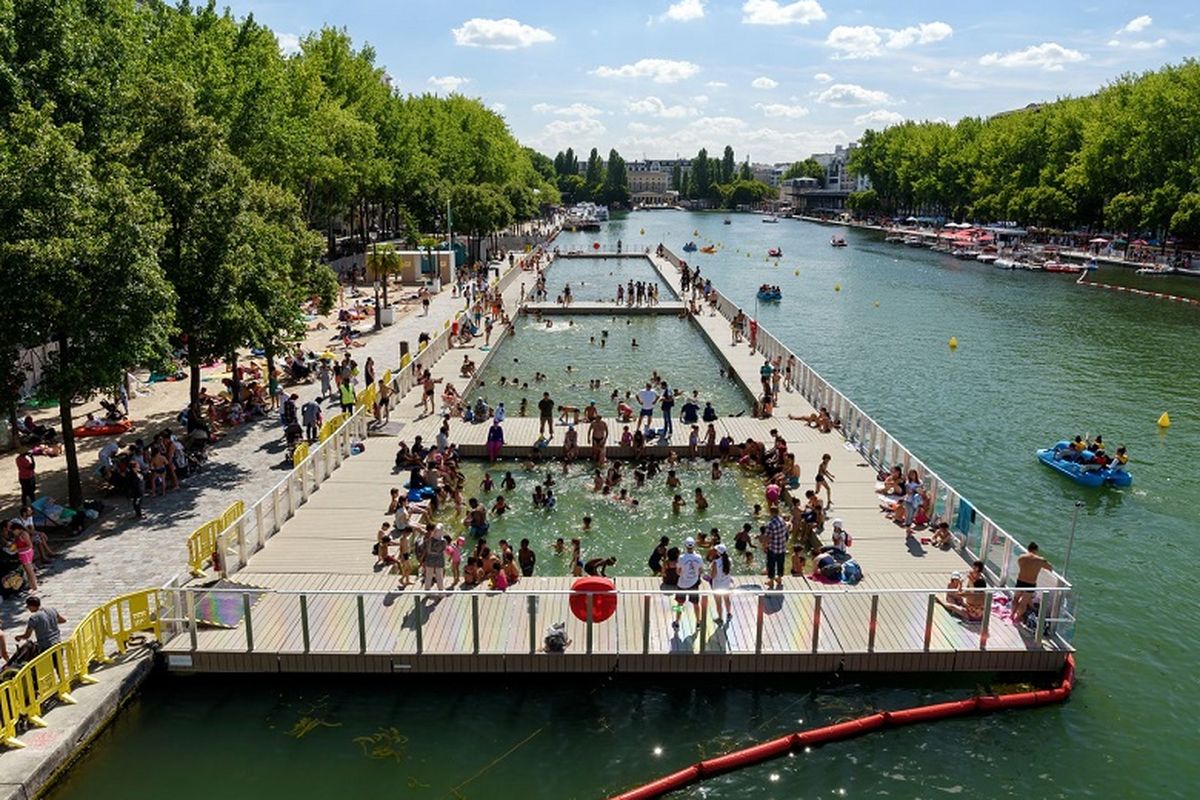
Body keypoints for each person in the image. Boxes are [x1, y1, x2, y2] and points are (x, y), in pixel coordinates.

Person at [1011, 542, 1052, 621]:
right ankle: (1017, 617)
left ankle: (1012, 614)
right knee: (1023, 602)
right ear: (1036, 550)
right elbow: (1050, 567)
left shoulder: (1021, 557)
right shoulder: (1040, 560)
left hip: (1020, 581)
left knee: (1015, 598)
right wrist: (1044, 561)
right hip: (1030, 583)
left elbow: (1021, 565)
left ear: (1028, 549)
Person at [672, 537, 705, 632]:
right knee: (696, 603)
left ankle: (677, 622)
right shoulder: (698, 557)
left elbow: (678, 571)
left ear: (685, 546)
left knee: (679, 603)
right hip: (694, 583)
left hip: (682, 584)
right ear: (694, 546)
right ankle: (698, 622)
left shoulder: (681, 558)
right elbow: (701, 570)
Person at [763, 505, 789, 590]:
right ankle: (779, 578)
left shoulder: (770, 524)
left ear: (771, 512)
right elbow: (786, 531)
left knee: (771, 564)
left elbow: (767, 538)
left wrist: (765, 546)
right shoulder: (782, 520)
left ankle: (771, 581)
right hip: (782, 547)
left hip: (773, 548)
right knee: (780, 563)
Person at [710, 543, 733, 624]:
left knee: (719, 603)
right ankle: (729, 613)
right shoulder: (729, 560)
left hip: (718, 586)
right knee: (727, 599)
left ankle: (720, 618)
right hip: (726, 584)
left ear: (718, 552)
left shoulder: (716, 562)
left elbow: (713, 575)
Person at [422, 524, 447, 593]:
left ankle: (427, 591)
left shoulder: (429, 540)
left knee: (428, 576)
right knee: (439, 577)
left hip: (430, 559)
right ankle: (441, 592)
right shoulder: (443, 541)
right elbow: (444, 550)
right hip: (439, 559)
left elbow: (427, 549)